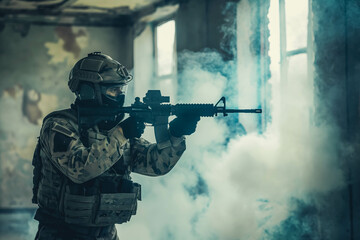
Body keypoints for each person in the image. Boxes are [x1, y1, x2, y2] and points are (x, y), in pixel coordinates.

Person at [32, 52, 199, 239]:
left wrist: (176, 134)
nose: (120, 96)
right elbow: (80, 169)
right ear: (88, 91)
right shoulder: (59, 125)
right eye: (113, 91)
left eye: (122, 90)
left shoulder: (113, 129)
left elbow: (155, 165)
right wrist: (122, 133)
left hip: (106, 234)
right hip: (62, 233)